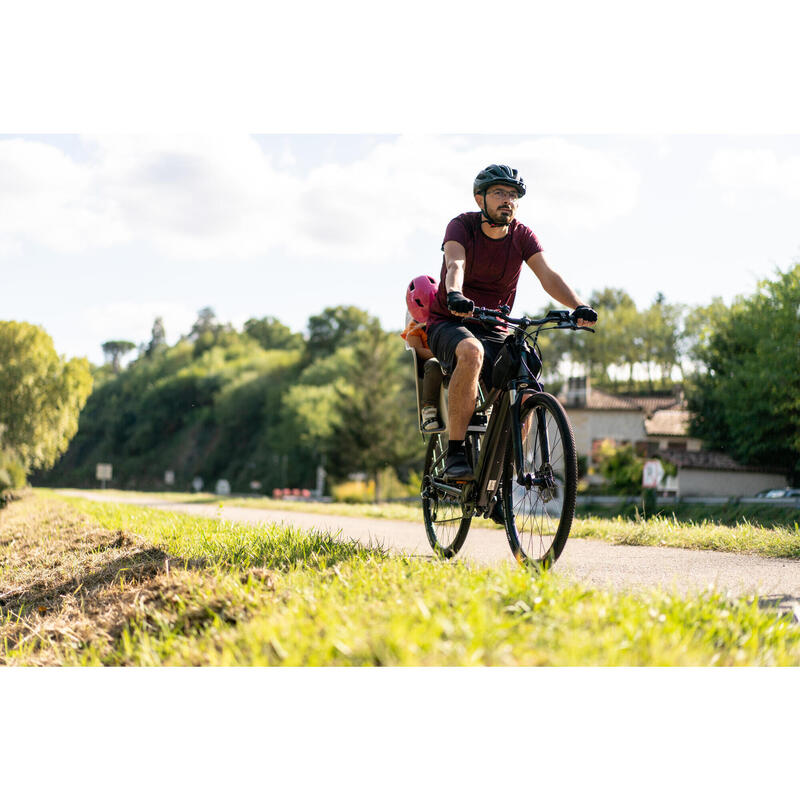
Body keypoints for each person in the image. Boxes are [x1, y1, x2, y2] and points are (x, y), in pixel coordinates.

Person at [427, 164, 598, 480]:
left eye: (513, 195)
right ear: (481, 199)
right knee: (471, 352)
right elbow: (455, 263)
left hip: (495, 326)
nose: (508, 200)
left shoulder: (522, 236)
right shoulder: (461, 226)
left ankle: (502, 478)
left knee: (527, 380)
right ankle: (456, 452)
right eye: (499, 193)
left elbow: (548, 275)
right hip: (450, 321)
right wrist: (454, 294)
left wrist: (579, 306)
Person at [402, 275, 445, 433]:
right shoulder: (414, 327)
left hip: (453, 360)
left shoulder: (446, 320)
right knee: (433, 364)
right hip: (434, 363)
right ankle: (429, 410)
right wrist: (440, 355)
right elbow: (418, 351)